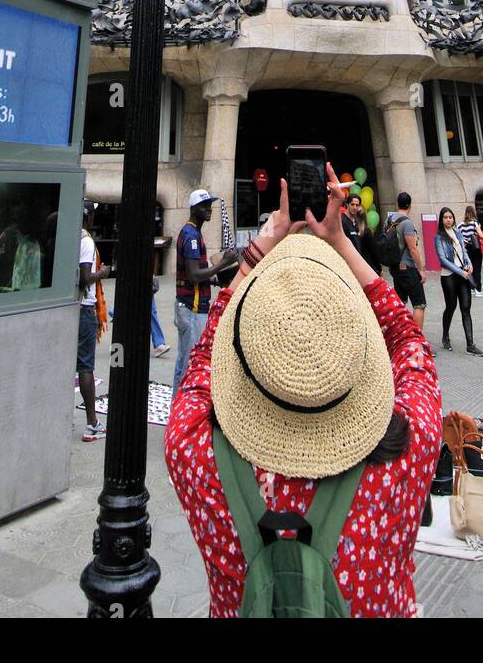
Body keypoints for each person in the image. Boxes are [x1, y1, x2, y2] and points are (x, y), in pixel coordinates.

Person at [164, 166, 443, 617]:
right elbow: (410, 341)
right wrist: (340, 241)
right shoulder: (409, 450)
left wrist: (256, 253)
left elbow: (202, 357)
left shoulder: (192, 450)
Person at [172, 188, 237, 397]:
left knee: (184, 361)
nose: (209, 210)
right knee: (189, 363)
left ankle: (177, 406)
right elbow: (193, 276)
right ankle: (181, 410)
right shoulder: (191, 235)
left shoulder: (193, 232)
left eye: (209, 205)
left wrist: (214, 279)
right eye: (204, 206)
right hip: (191, 307)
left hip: (190, 305)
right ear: (193, 209)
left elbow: (197, 274)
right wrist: (223, 264)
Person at [78, 205, 110, 441]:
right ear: (89, 216)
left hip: (72, 308)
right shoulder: (86, 242)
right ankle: (92, 424)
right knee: (86, 367)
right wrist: (103, 273)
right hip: (85, 308)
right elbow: (86, 278)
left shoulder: (71, 236)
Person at [435, 207, 483, 356]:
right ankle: (445, 335)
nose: (448, 219)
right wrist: (460, 271)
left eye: (450, 217)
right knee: (451, 307)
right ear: (441, 220)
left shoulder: (457, 233)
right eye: (445, 217)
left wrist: (469, 264)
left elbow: (464, 251)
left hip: (463, 275)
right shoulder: (439, 237)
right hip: (449, 276)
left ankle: (470, 344)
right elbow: (443, 260)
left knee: (465, 307)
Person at [387, 192, 426, 329]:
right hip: (407, 267)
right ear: (410, 205)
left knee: (401, 302)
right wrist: (421, 269)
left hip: (395, 267)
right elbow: (412, 248)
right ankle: (416, 339)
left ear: (398, 203)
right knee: (419, 303)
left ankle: (401, 334)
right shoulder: (407, 223)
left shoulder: (390, 220)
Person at [457, 205, 483, 296]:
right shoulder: (475, 223)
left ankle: (470, 287)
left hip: (466, 249)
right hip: (475, 248)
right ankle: (478, 289)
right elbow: (481, 235)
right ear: (473, 212)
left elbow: (458, 236)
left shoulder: (460, 225)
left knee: (469, 268)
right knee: (477, 269)